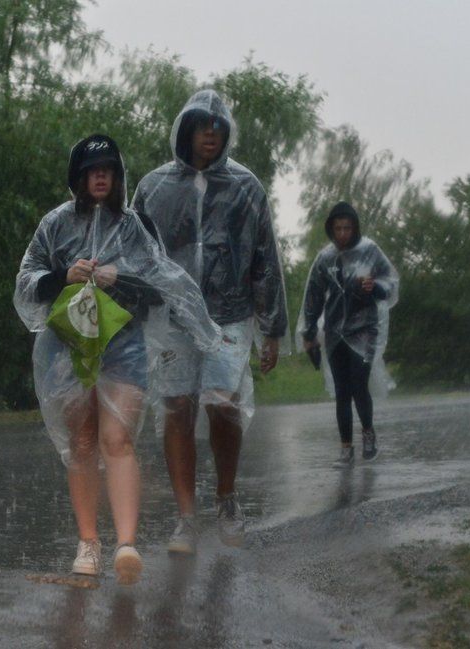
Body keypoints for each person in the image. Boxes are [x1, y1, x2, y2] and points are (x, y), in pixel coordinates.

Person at [14, 134, 221, 583]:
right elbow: (28, 280)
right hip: (68, 347)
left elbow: (162, 284)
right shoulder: (54, 225)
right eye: (91, 170)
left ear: (119, 176)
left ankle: (126, 545)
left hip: (124, 345)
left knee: (117, 439)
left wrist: (119, 279)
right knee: (83, 442)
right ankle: (88, 543)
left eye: (108, 168)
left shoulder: (135, 227)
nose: (100, 176)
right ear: (78, 178)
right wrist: (63, 276)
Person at [131, 89, 289, 553]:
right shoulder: (154, 188)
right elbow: (138, 257)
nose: (210, 137)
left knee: (223, 402)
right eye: (202, 127)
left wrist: (272, 328)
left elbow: (265, 259)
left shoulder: (245, 188)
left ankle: (226, 496)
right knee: (177, 407)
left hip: (230, 315)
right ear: (186, 130)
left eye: (218, 130)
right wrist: (131, 315)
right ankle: (185, 518)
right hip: (171, 317)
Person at [297, 202, 399, 467]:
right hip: (334, 331)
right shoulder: (324, 258)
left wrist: (374, 286)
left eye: (347, 227)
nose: (342, 233)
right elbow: (314, 297)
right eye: (338, 228)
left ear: (355, 228)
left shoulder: (370, 251)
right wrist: (309, 332)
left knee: (358, 383)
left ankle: (368, 433)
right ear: (331, 229)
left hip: (364, 328)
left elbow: (391, 283)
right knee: (341, 390)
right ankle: (345, 447)